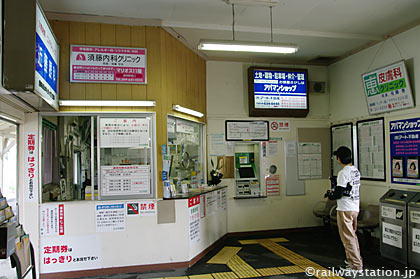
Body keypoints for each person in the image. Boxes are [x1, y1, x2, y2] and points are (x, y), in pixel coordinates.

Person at [325, 146, 363, 271]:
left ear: (340, 158)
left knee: (347, 238)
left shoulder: (343, 173)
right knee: (352, 236)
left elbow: (339, 193)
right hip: (354, 207)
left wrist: (331, 194)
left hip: (345, 208)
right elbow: (349, 189)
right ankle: (352, 261)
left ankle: (356, 265)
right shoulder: (355, 171)